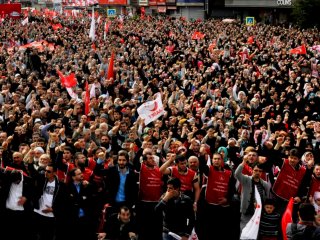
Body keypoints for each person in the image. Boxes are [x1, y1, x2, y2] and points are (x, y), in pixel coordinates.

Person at [197, 152, 237, 240]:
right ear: (212, 160)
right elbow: (202, 166)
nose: (216, 161)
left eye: (218, 159)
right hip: (209, 206)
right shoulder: (209, 169)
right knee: (208, 230)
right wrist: (202, 155)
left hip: (222, 207)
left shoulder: (229, 173)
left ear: (222, 160)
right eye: (214, 159)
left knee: (220, 230)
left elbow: (232, 188)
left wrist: (227, 199)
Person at [32, 164, 69, 240]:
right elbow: (32, 172)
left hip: (50, 215)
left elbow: (64, 202)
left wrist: (53, 209)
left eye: (48, 171)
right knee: (35, 234)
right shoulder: (41, 180)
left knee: (47, 236)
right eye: (45, 170)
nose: (46, 173)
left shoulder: (61, 185)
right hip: (38, 212)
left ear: (54, 173)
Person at [235, 156, 270, 231]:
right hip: (247, 212)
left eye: (260, 171)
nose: (257, 172)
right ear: (252, 170)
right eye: (256, 170)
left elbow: (266, 198)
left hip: (258, 213)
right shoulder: (246, 179)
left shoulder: (265, 184)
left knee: (255, 233)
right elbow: (237, 174)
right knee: (244, 232)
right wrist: (243, 162)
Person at [66, 167, 96, 240]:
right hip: (73, 219)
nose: (82, 175)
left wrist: (88, 185)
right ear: (73, 177)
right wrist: (82, 199)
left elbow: (91, 198)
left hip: (85, 218)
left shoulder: (86, 185)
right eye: (79, 174)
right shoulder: (67, 187)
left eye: (81, 173)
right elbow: (69, 202)